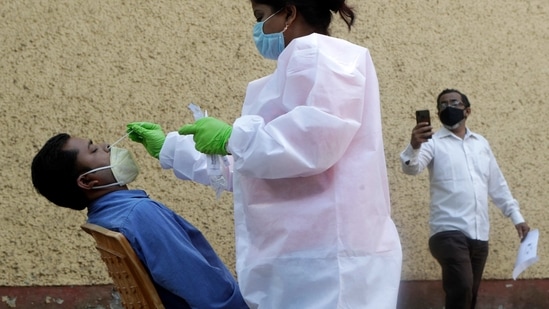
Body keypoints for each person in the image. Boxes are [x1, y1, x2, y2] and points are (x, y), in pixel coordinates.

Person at [127, 0, 402, 308]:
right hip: (303, 259)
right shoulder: (287, 75)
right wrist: (171, 147)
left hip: (329, 261)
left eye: (260, 17)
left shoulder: (321, 55)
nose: (257, 29)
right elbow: (256, 167)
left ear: (288, 12)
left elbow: (311, 143)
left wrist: (233, 138)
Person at [31, 133, 249, 309]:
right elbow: (209, 295)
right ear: (87, 181)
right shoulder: (138, 214)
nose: (106, 145)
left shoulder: (103, 217)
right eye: (93, 149)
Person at [400, 88, 530, 309]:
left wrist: (517, 217)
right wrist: (414, 145)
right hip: (447, 232)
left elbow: (497, 185)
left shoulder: (481, 144)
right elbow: (412, 168)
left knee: (468, 294)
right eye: (442, 105)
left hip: (479, 234)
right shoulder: (432, 143)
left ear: (467, 110)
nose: (447, 107)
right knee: (461, 286)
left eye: (454, 103)